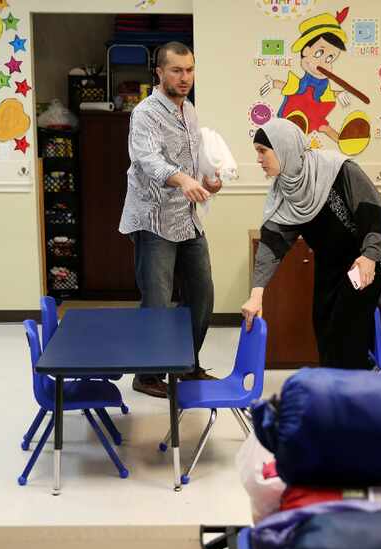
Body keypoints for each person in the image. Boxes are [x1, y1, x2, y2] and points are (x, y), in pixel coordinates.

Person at [241, 119, 381, 369]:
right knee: (323, 324)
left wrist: (371, 255)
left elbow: (373, 209)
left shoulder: (338, 169)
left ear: (283, 147)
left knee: (346, 328)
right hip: (329, 264)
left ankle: (350, 395)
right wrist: (256, 295)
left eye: (262, 151)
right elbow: (272, 246)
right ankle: (333, 388)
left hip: (362, 260)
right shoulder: (285, 191)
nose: (258, 159)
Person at [119, 41, 221, 398]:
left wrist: (207, 179)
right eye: (177, 70)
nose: (185, 77)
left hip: (187, 217)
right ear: (159, 72)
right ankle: (147, 375)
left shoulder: (189, 110)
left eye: (190, 70)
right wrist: (183, 179)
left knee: (202, 294)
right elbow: (147, 159)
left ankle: (186, 366)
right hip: (154, 219)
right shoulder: (145, 113)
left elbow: (194, 159)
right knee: (158, 301)